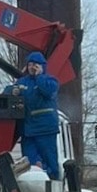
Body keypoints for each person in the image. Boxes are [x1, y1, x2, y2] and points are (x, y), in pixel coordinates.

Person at [12, 50, 61, 178]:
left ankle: (53, 182)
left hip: (45, 130)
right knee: (28, 163)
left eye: (35, 65)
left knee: (50, 160)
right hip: (28, 131)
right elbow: (9, 89)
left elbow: (48, 91)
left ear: (42, 66)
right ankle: (32, 185)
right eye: (30, 64)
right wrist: (13, 91)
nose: (32, 67)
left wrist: (39, 77)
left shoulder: (50, 81)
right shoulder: (23, 82)